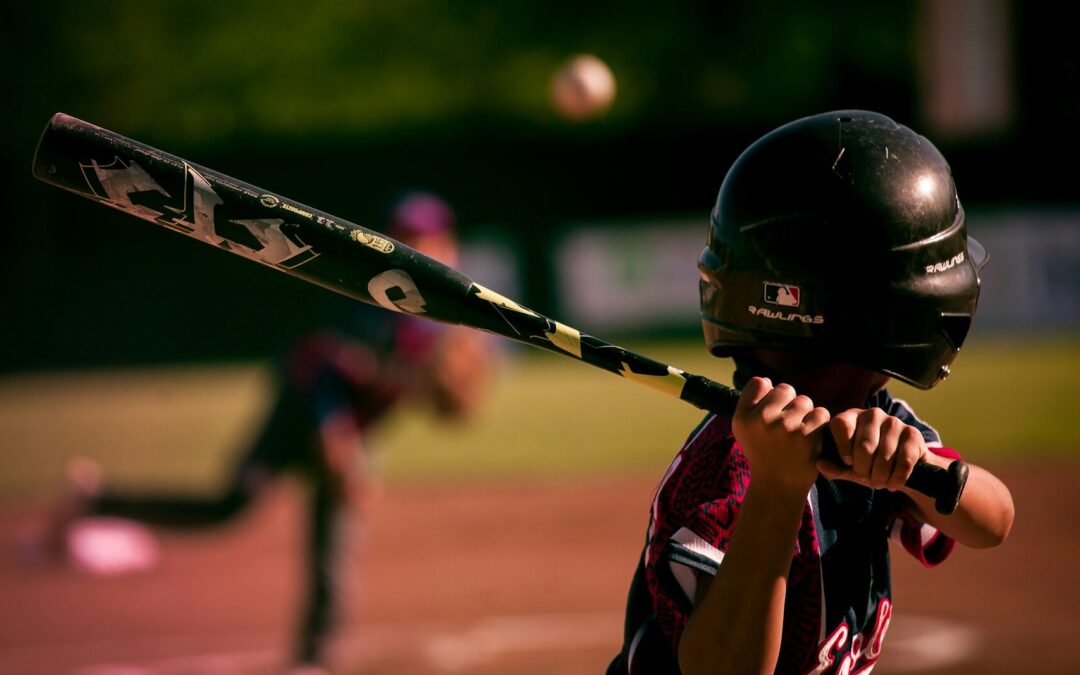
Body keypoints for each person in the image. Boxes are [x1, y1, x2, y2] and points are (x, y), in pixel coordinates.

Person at [606, 111, 1014, 674]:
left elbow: (994, 522)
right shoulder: (726, 466)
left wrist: (915, 470)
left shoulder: (875, 419)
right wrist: (777, 488)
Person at [48, 190, 492, 673]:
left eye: (431, 238)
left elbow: (430, 394)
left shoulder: (441, 319)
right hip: (299, 414)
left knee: (332, 540)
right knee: (229, 505)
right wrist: (337, 438)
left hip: (352, 429)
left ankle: (315, 659)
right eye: (409, 237)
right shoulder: (367, 300)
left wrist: (435, 399)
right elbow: (319, 367)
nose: (423, 247)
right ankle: (100, 502)